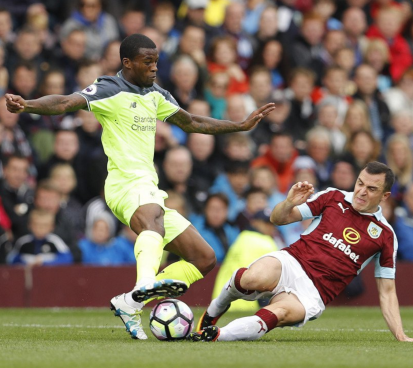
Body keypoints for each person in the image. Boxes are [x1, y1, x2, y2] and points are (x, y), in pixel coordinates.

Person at [4, 33, 275, 340]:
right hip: (124, 184)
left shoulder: (156, 94)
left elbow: (193, 123)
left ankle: (131, 302)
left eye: (156, 61)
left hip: (150, 189)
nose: (154, 68)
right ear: (128, 63)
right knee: (153, 221)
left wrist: (239, 126)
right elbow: (66, 102)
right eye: (148, 62)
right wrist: (27, 105)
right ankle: (145, 284)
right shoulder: (109, 88)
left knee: (204, 258)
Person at [188, 161, 413, 343]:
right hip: (291, 262)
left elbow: (387, 291)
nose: (361, 192)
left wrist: (400, 334)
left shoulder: (385, 235)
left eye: (371, 189)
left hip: (314, 293)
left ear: (385, 196)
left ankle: (216, 335)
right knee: (251, 278)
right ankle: (213, 312)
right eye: (360, 183)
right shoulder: (333, 197)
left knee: (276, 314)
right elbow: (277, 219)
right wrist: (289, 203)